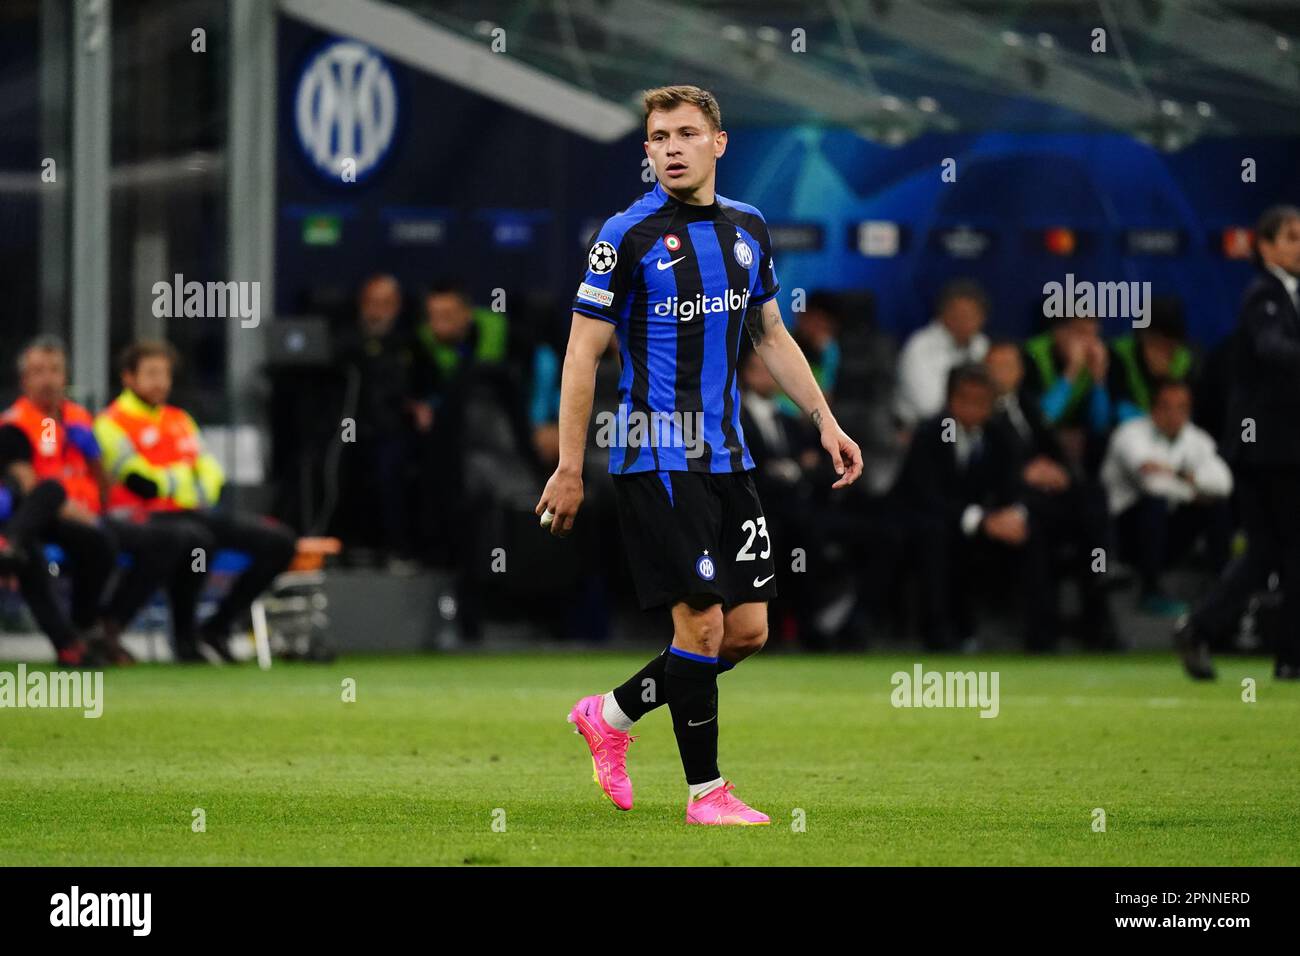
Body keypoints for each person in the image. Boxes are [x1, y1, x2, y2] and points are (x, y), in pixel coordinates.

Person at [536, 84, 862, 825]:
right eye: (659, 136)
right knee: (703, 629)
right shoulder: (627, 234)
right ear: (647, 151)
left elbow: (772, 336)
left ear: (719, 143)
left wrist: (824, 420)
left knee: (748, 632)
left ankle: (611, 715)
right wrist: (569, 464)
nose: (672, 146)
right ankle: (706, 794)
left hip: (730, 457)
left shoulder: (748, 228)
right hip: (657, 455)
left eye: (687, 133)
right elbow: (582, 356)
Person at [94, 341, 297, 662]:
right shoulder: (110, 422)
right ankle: (172, 634)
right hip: (138, 518)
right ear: (128, 378)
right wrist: (184, 481)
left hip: (191, 513)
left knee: (279, 541)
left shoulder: (180, 419)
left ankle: (217, 626)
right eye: (151, 374)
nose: (160, 382)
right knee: (195, 539)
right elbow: (142, 484)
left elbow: (212, 475)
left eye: (165, 374)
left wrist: (175, 483)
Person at [2, 337, 201, 665]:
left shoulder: (79, 418)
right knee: (79, 535)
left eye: (54, 370)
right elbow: (28, 485)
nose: (48, 379)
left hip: (93, 515)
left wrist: (93, 457)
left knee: (180, 541)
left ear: (65, 376)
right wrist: (69, 508)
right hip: (42, 519)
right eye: (39, 372)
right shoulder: (16, 425)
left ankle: (105, 626)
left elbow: (105, 486)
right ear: (24, 381)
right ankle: (73, 634)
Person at [1177, 205, 1300, 680]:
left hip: (1280, 448)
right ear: (1264, 247)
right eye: (1289, 237)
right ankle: (1290, 657)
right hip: (1270, 451)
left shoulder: (1287, 295)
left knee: (1266, 552)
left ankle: (1199, 628)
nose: (1297, 245)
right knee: (1287, 551)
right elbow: (1273, 351)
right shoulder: (1263, 295)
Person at [985, 341, 1121, 650]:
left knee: (1092, 497)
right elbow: (985, 466)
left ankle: (1104, 574)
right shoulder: (979, 410)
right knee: (1035, 532)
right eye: (994, 367)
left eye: (1008, 366)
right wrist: (1023, 473)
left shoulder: (1028, 404)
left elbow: (1051, 446)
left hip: (1047, 500)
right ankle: (1042, 636)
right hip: (1010, 500)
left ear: (1020, 372)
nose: (1001, 374)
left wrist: (1058, 471)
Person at [1102, 379, 1232, 617]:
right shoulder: (1129, 434)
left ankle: (1222, 589)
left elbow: (1224, 484)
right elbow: (1153, 485)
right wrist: (1194, 488)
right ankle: (1150, 592)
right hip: (1122, 537)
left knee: (1218, 505)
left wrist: (1175, 473)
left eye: (1182, 408)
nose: (1174, 415)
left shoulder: (1197, 439)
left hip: (1167, 537)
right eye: (1166, 407)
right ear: (1153, 409)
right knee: (1155, 504)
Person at [332, 274, 419, 570]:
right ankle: (344, 549)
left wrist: (420, 406)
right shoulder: (344, 344)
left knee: (391, 469)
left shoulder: (410, 344)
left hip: (394, 432)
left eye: (384, 304)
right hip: (349, 430)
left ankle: (397, 550)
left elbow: (425, 387)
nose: (376, 311)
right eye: (371, 303)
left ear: (397, 306)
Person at [894, 279, 991, 430]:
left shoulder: (982, 345)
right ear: (943, 314)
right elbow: (928, 407)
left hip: (972, 430)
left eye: (972, 314)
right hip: (922, 431)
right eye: (960, 314)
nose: (966, 321)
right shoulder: (920, 347)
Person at [1108, 299, 1197, 425]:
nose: (1163, 352)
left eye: (1169, 345)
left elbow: (1186, 415)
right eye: (1157, 343)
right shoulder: (1119, 356)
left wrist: (1164, 379)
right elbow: (1117, 409)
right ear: (1143, 338)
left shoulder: (1185, 360)